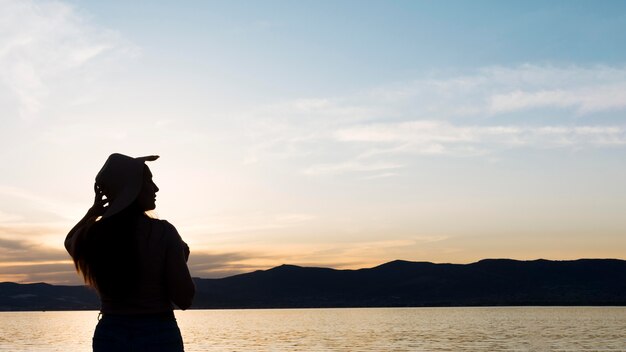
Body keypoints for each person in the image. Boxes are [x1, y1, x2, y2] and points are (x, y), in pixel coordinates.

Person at [64, 153, 195, 352]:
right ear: (132, 187)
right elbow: (184, 299)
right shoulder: (163, 232)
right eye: (148, 181)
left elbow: (70, 241)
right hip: (158, 334)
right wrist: (180, 259)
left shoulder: (93, 236)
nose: (155, 188)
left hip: (110, 335)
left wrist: (92, 213)